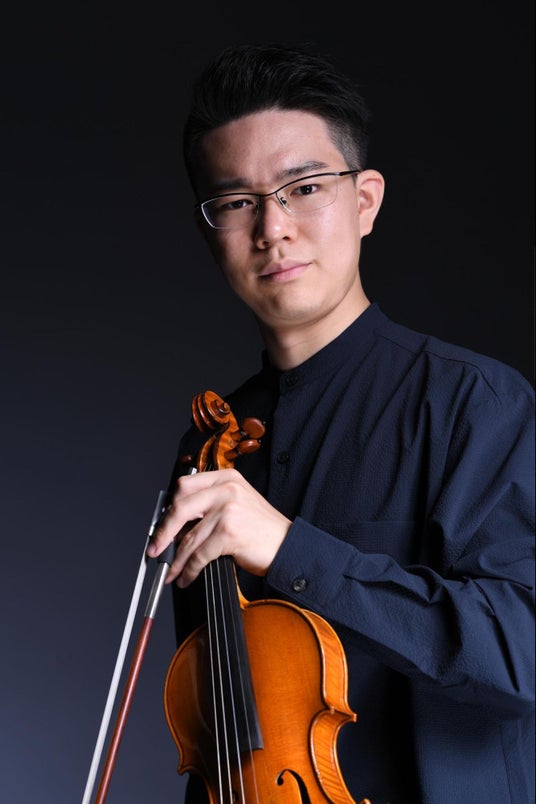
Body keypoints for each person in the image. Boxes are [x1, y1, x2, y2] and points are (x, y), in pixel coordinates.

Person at [148, 43, 535, 803]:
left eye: (304, 188)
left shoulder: (477, 404)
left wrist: (289, 550)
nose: (272, 228)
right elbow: (222, 742)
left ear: (364, 201)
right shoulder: (209, 453)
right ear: (209, 231)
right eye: (236, 202)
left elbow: (519, 656)